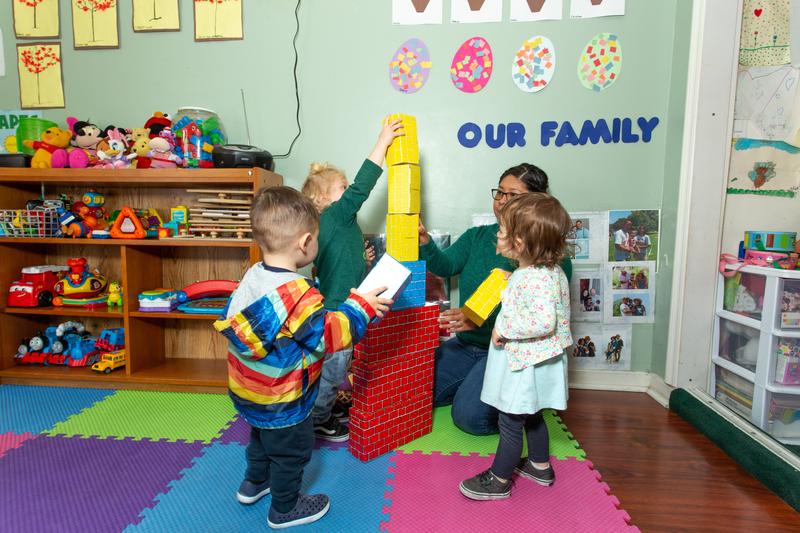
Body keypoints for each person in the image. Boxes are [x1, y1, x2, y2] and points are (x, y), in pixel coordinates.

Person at [214, 186, 392, 529]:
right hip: (284, 397)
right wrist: (361, 307)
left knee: (261, 438)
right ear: (305, 242)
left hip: (250, 391)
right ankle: (285, 507)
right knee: (291, 452)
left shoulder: (253, 275)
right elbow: (331, 336)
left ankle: (254, 483)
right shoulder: (299, 294)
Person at [418, 163, 573, 436]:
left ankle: (512, 408)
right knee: (414, 392)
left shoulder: (547, 256)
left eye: (511, 195)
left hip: (507, 353)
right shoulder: (477, 236)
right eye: (499, 193)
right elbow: (445, 265)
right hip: (467, 346)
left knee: (470, 419)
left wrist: (477, 317)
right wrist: (425, 242)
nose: (501, 201)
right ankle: (472, 385)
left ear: (536, 200)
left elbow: (534, 312)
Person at [458, 193, 572, 500]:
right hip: (539, 361)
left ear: (519, 243)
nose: (497, 232)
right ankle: (539, 465)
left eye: (503, 230)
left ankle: (499, 479)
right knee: (533, 414)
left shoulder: (528, 278)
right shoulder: (548, 271)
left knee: (509, 421)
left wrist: (504, 329)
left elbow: (543, 321)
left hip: (524, 363)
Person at [301, 117, 403, 442]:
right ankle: (319, 418)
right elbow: (363, 185)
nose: (348, 194)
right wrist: (383, 142)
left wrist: (363, 261)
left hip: (335, 308)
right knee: (333, 370)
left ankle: (324, 407)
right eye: (341, 188)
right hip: (339, 312)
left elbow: (331, 266)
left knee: (333, 368)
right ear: (323, 200)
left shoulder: (330, 226)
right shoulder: (337, 214)